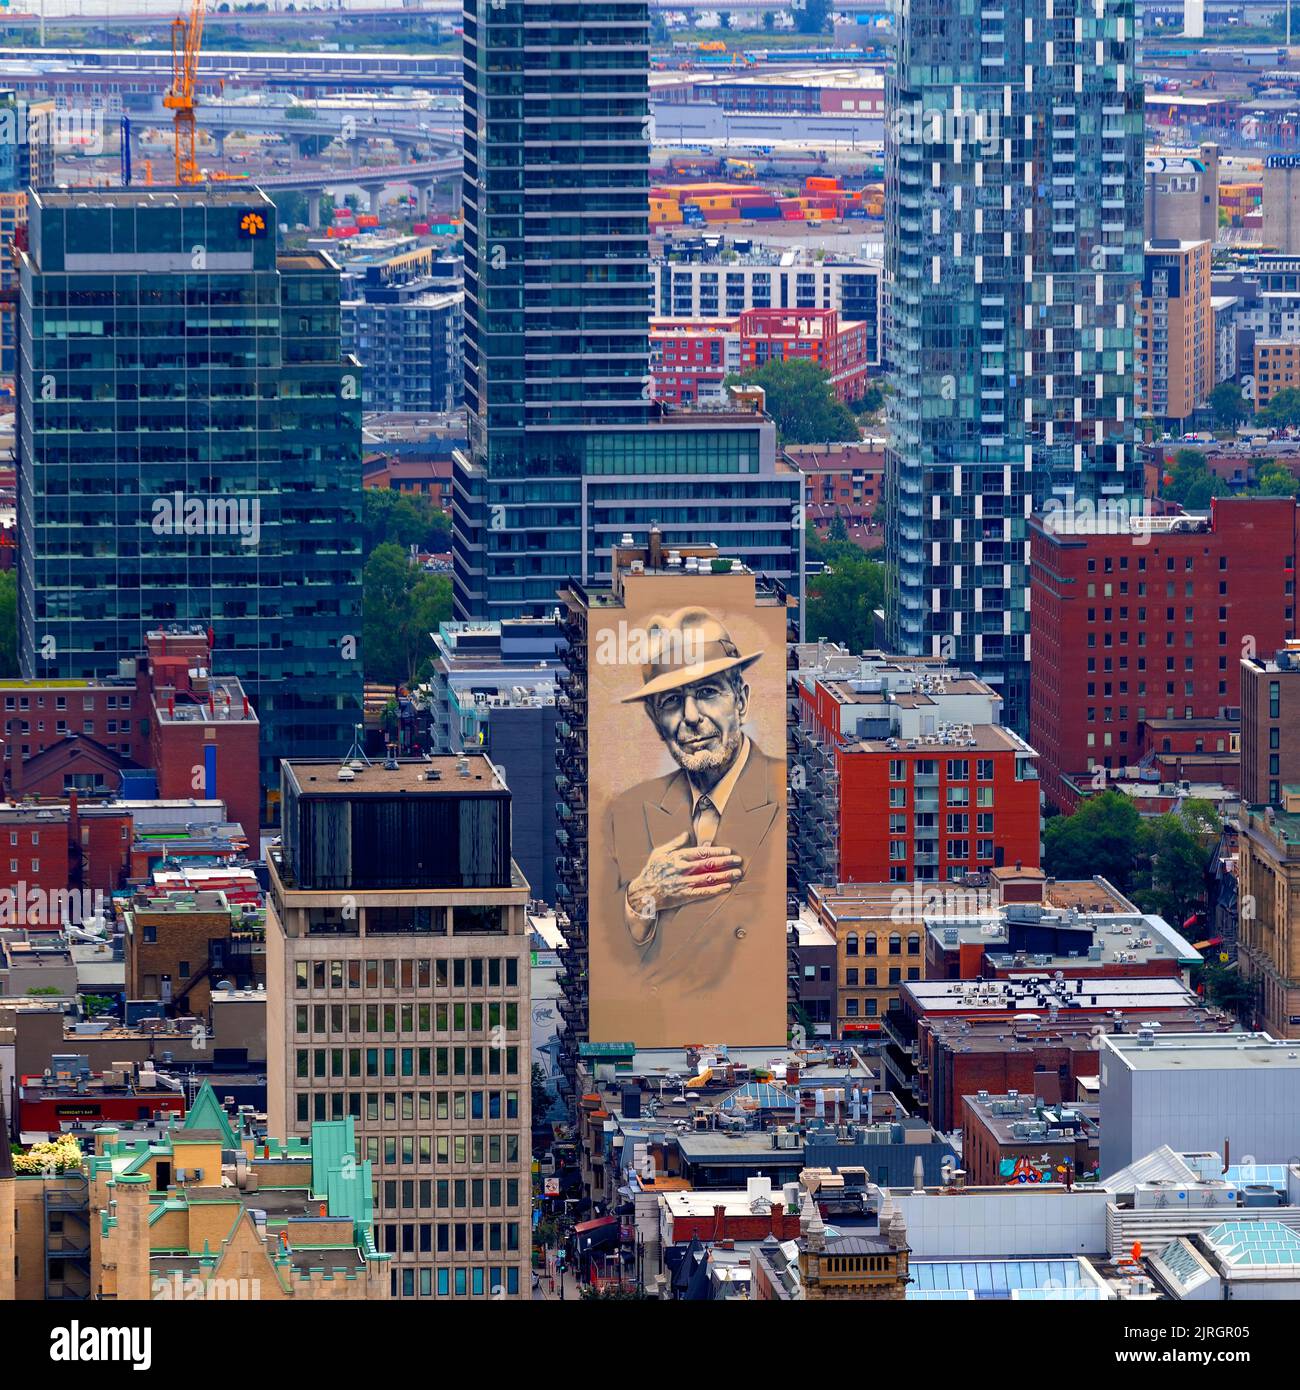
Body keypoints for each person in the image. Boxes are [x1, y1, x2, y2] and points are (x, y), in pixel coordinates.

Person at [598, 607, 784, 1027]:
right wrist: (640, 901)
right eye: (671, 702)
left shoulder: (781, 790)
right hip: (659, 1032)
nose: (691, 717)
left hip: (746, 1036)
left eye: (708, 692)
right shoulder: (625, 813)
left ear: (742, 700)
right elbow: (612, 958)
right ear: (655, 720)